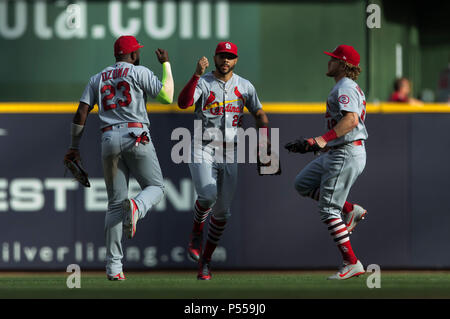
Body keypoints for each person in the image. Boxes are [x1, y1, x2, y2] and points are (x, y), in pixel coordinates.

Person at [63, 35, 174, 281]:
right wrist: (166, 64)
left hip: (108, 139)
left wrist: (74, 146)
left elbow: (82, 110)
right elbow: (167, 96)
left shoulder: (97, 77)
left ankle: (114, 269)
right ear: (133, 55)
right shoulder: (138, 71)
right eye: (137, 52)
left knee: (114, 204)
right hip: (136, 134)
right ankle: (136, 206)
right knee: (155, 187)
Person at [177, 41, 271, 280]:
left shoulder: (245, 86)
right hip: (202, 146)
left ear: (236, 60)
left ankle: (205, 262)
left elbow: (259, 113)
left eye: (230, 56)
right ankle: (196, 232)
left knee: (222, 214)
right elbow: (184, 103)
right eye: (222, 56)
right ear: (215, 57)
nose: (225, 60)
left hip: (230, 151)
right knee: (207, 196)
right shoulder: (205, 82)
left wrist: (264, 143)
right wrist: (196, 75)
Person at [287, 45, 368, 280]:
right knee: (302, 184)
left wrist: (321, 140)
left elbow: (351, 120)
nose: (329, 62)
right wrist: (316, 145)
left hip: (346, 151)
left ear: (343, 64)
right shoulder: (344, 87)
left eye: (333, 59)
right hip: (336, 151)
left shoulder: (345, 87)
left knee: (328, 209)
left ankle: (351, 262)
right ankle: (350, 209)